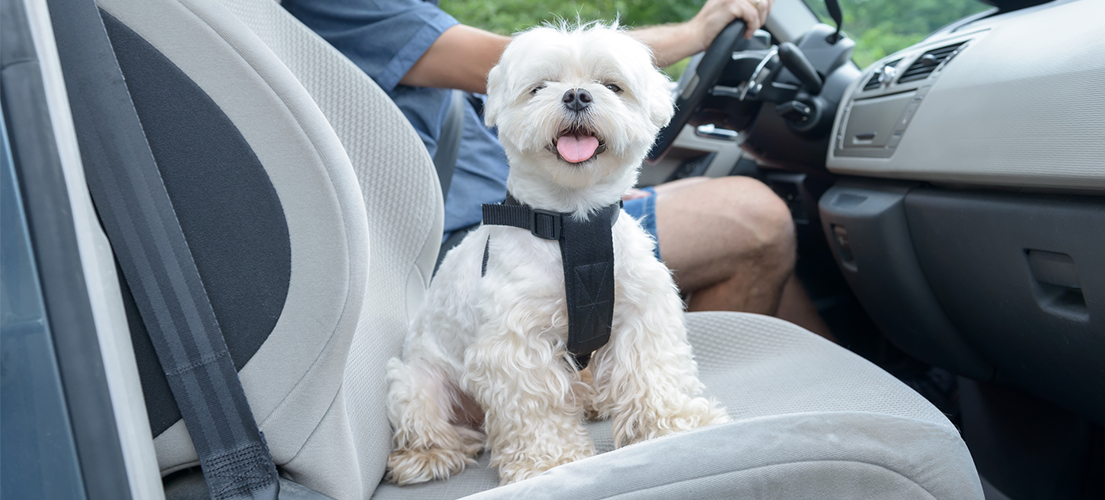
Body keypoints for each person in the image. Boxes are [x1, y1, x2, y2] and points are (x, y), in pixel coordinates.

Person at [281, 0, 832, 336]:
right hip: (472, 247)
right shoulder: (352, 5)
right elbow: (508, 60)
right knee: (753, 219)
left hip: (530, 210)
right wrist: (695, 33)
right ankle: (691, 435)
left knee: (756, 237)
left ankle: (812, 402)